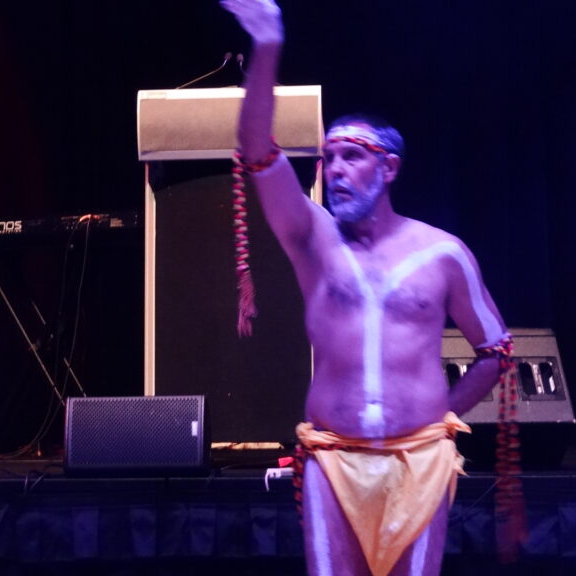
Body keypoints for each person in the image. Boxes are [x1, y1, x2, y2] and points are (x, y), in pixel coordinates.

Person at [221, 1, 519, 575]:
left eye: (351, 157)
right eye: (328, 158)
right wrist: (267, 43)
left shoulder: (443, 253)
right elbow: (257, 152)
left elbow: (496, 352)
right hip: (333, 460)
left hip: (421, 460)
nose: (334, 170)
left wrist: (442, 415)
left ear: (389, 169)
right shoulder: (313, 237)